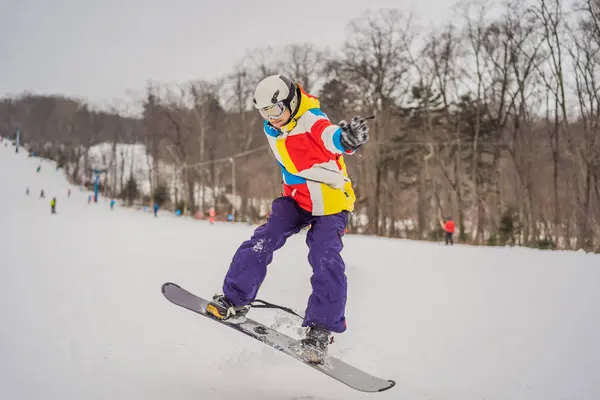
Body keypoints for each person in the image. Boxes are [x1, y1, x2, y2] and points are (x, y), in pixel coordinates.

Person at [206, 74, 370, 364]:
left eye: (276, 110)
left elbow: (329, 135)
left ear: (291, 102)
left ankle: (320, 329)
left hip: (330, 202)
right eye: (265, 113)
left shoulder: (311, 118)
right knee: (263, 240)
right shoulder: (273, 127)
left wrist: (346, 141)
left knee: (324, 256)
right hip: (296, 199)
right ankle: (235, 299)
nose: (272, 119)